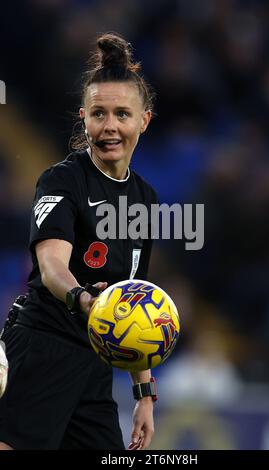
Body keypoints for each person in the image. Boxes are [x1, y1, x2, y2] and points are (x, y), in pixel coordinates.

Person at [0, 33, 158, 450]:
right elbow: (52, 267)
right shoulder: (62, 180)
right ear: (84, 117)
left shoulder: (146, 199)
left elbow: (135, 304)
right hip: (42, 347)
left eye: (122, 114)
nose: (110, 127)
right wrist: (83, 300)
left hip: (94, 365)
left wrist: (144, 396)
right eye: (99, 114)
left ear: (143, 120)